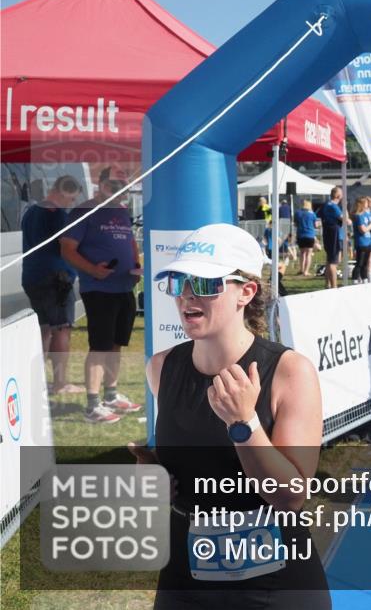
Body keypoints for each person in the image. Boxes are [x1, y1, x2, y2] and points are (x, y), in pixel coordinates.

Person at [133, 223, 328, 609]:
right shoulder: (161, 367)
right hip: (185, 577)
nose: (187, 294)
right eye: (179, 281)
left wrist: (245, 425)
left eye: (206, 283)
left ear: (246, 292)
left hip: (275, 583)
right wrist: (151, 476)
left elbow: (291, 497)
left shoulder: (289, 371)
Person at [60, 165, 143, 423]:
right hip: (99, 289)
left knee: (116, 345)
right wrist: (92, 270)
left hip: (124, 286)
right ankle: (92, 405)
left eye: (124, 186)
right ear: (101, 184)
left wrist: (137, 265)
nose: (121, 191)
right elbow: (67, 249)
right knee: (100, 346)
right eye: (115, 185)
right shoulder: (84, 211)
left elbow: (130, 243)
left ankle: (111, 395)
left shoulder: (120, 212)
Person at [21, 175, 84, 395]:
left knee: (45, 329)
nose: (72, 203)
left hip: (32, 276)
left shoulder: (31, 212)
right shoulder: (57, 215)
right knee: (62, 329)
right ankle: (60, 383)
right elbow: (67, 246)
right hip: (55, 279)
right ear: (63, 191)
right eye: (72, 198)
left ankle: (37, 380)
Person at [318, 187, 344, 289]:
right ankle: (334, 285)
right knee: (333, 261)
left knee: (330, 260)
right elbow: (345, 219)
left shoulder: (326, 205)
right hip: (334, 234)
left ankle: (328, 284)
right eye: (341, 193)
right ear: (338, 195)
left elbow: (318, 217)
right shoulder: (333, 206)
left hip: (329, 233)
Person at [351, 197, 371, 283]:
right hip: (361, 242)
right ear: (362, 204)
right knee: (359, 263)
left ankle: (365, 279)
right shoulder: (358, 216)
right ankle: (355, 280)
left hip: (368, 241)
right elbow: (363, 230)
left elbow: (370, 227)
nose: (367, 204)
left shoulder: (365, 215)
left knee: (365, 264)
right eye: (366, 203)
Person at [294, 199, 318, 277]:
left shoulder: (297, 213)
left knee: (302, 253)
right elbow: (316, 225)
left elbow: (295, 224)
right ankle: (306, 271)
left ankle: (301, 269)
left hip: (300, 235)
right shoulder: (312, 214)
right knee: (308, 254)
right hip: (310, 235)